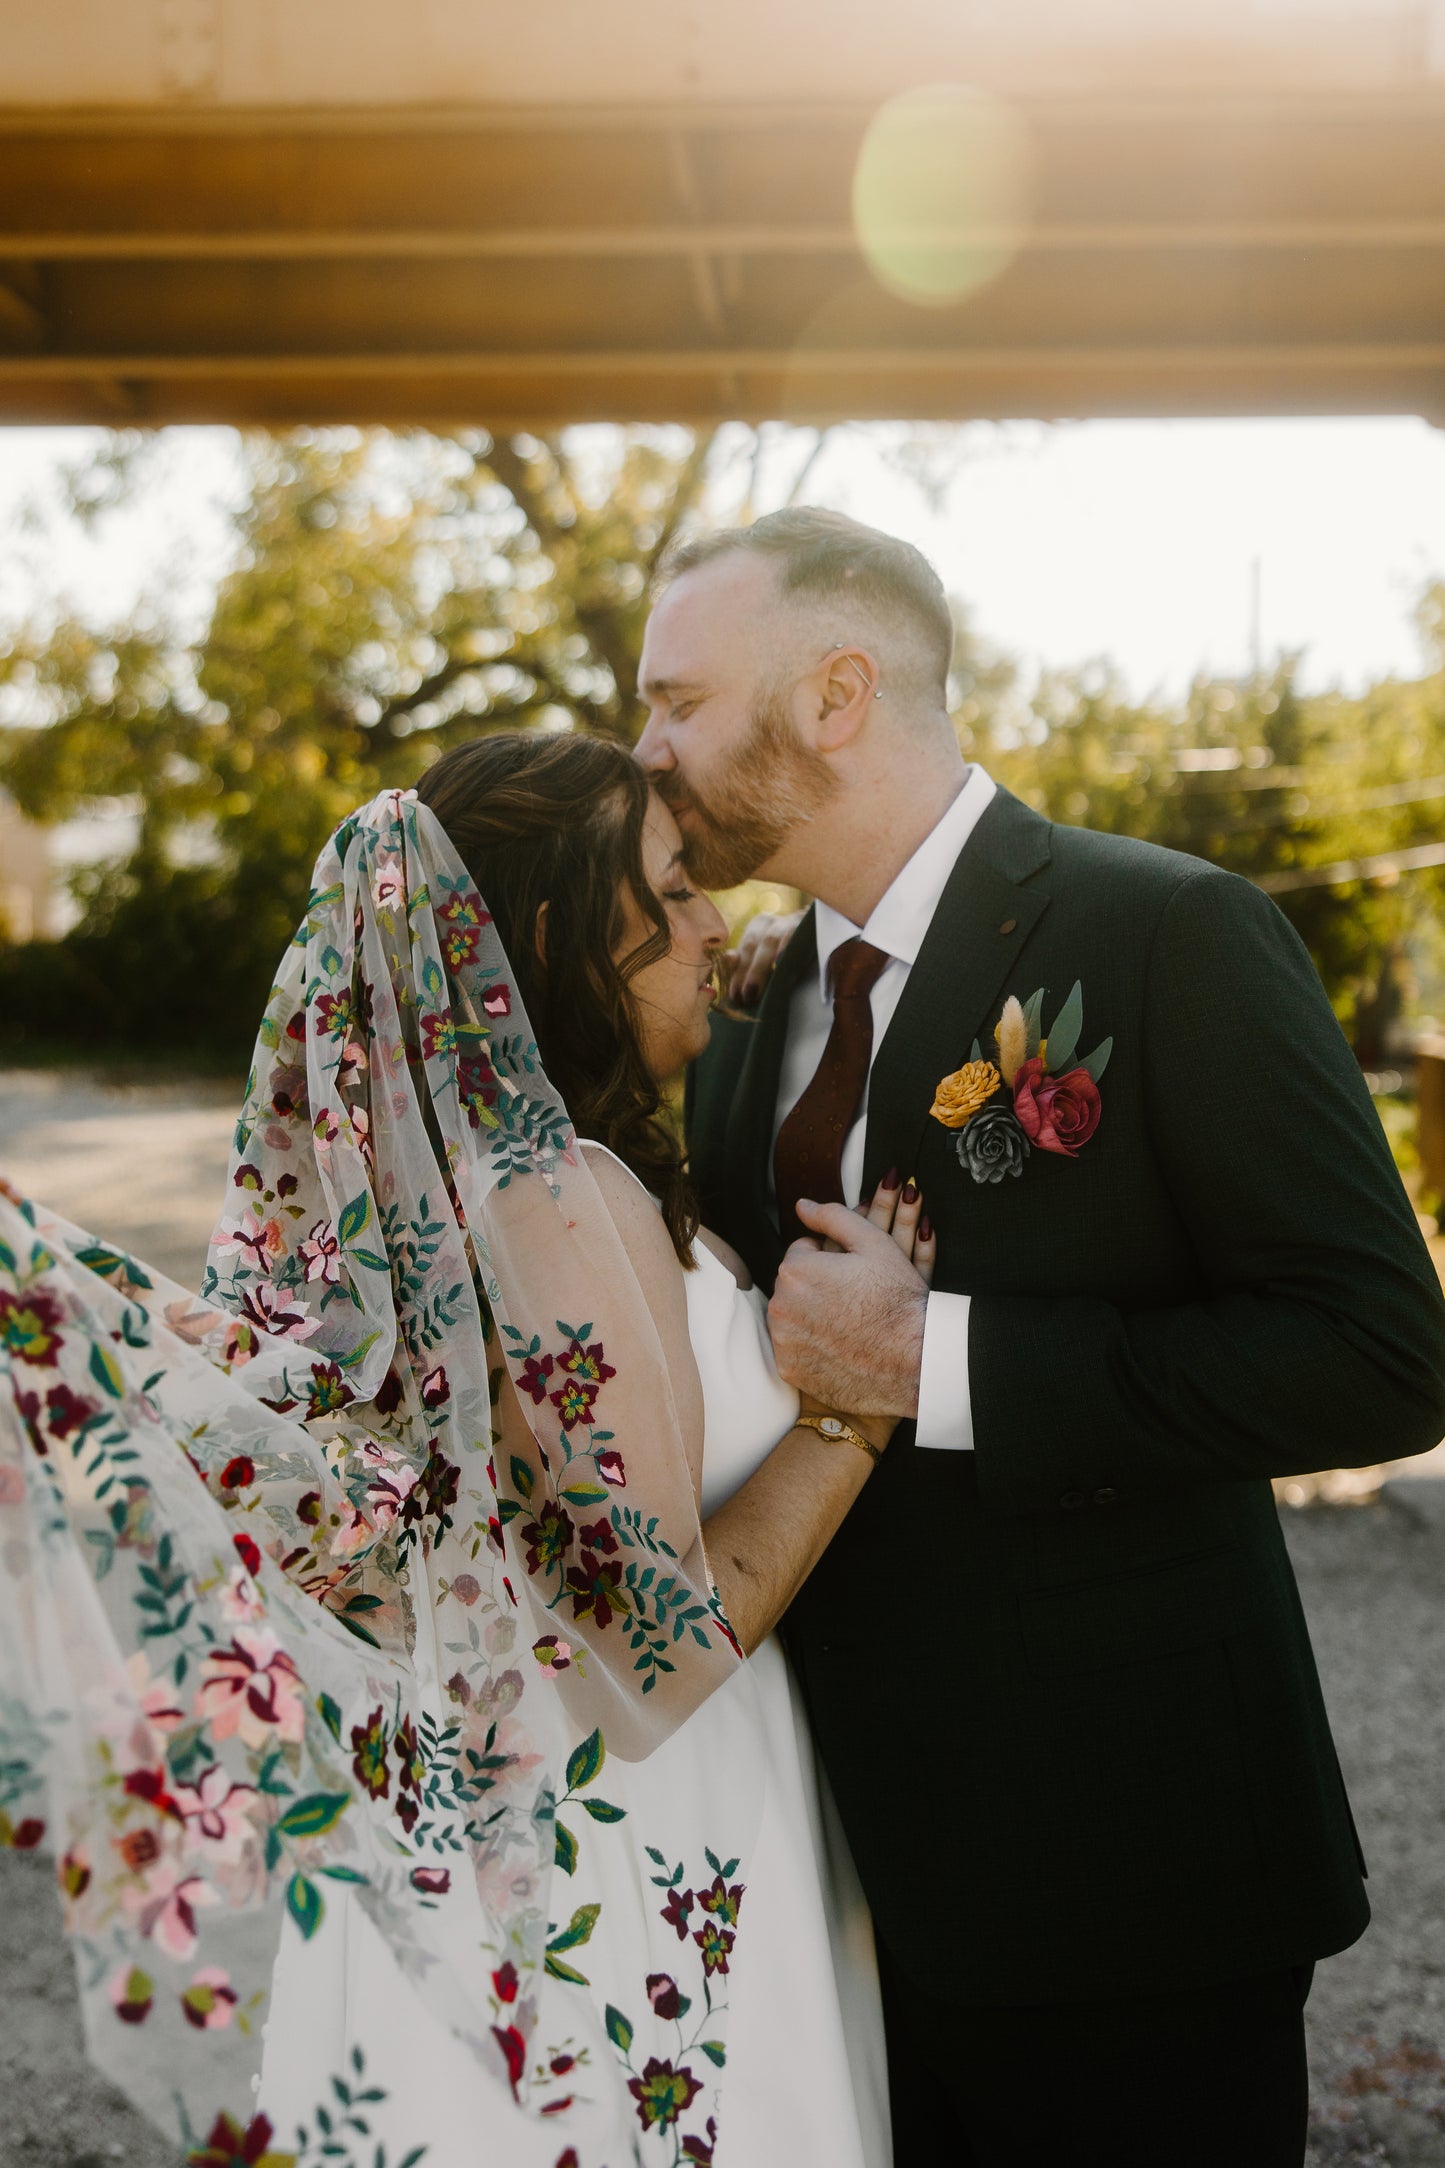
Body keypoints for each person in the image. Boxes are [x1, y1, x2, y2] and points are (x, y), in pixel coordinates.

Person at [637, 506, 1445, 2168]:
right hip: (824, 1871)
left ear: (835, 693)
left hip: (1126, 1867)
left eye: (675, 702)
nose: (644, 752)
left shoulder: (1165, 935)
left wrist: (934, 1362)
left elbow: (1379, 1348)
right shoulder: (756, 1004)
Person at [0, 732, 931, 2165]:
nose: (710, 925)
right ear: (559, 932)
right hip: (622, 1840)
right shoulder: (556, 1195)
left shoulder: (416, 1197)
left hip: (478, 1812)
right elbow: (655, 1656)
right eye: (674, 888)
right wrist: (857, 1408)